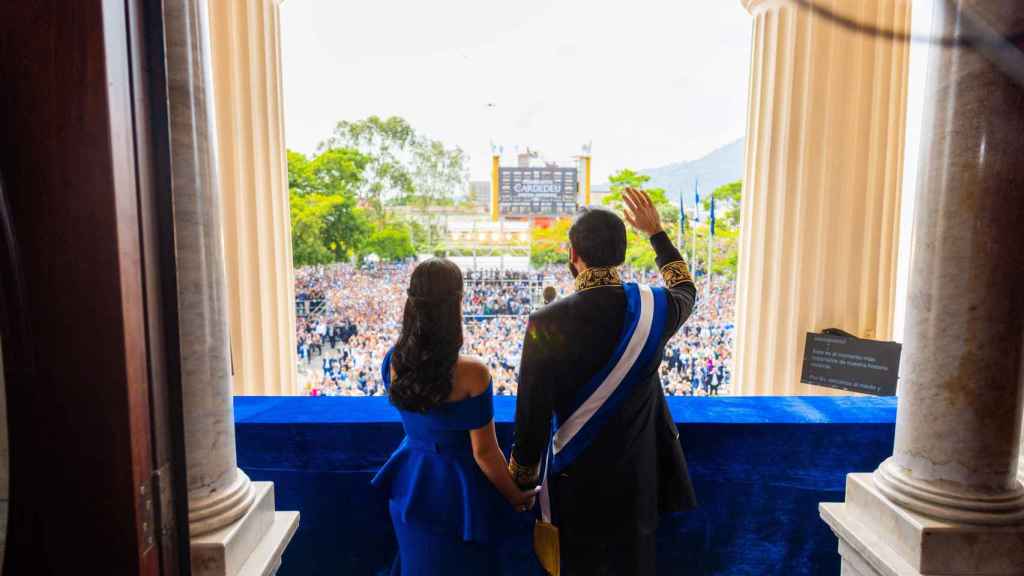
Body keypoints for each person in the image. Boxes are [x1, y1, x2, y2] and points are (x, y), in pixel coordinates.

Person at [509, 188, 698, 575]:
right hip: (640, 480)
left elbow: (532, 415)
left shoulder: (545, 321)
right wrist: (656, 233)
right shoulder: (655, 309)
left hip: (575, 481)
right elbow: (685, 289)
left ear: (573, 254)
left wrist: (521, 481)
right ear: (621, 254)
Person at [371, 258, 539, 576]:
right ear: (456, 304)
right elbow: (484, 451)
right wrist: (515, 496)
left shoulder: (393, 361)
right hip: (458, 494)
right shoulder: (472, 373)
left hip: (410, 482)